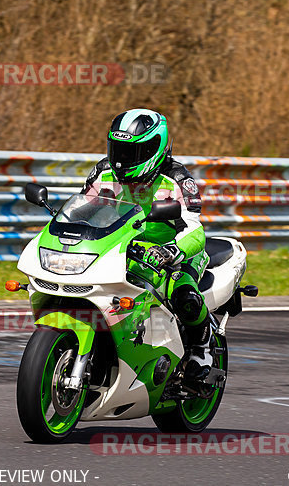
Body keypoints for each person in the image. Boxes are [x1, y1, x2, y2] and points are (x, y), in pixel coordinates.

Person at [80, 108, 212, 380]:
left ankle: (202, 345)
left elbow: (195, 229)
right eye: (118, 150)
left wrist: (172, 251)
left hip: (175, 252)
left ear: (154, 148)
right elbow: (82, 211)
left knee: (183, 293)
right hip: (123, 250)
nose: (121, 161)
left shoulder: (178, 180)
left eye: (131, 153)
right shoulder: (103, 172)